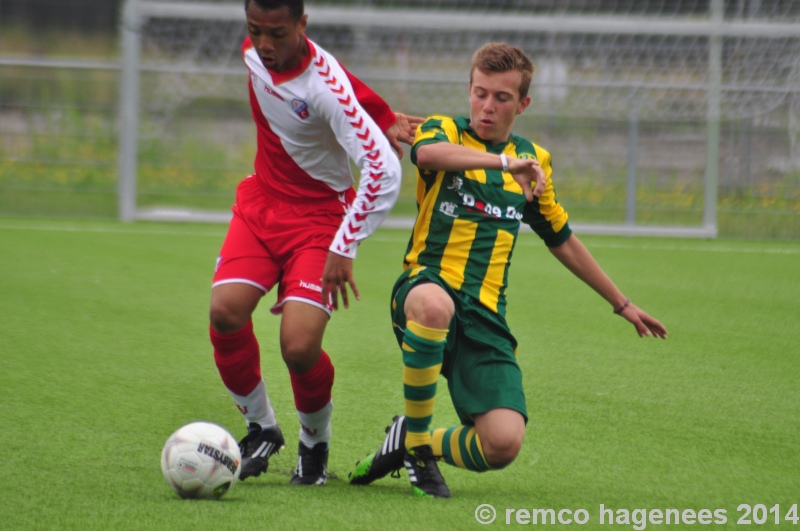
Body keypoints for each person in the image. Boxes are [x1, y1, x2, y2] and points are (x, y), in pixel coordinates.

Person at [348, 42, 667, 498]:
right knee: (435, 304)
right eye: (479, 93)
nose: (486, 106)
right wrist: (502, 162)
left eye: (500, 98)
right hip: (423, 288)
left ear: (523, 104)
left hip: (485, 317)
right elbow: (429, 157)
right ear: (469, 90)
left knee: (502, 444)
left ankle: (412, 441)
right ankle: (419, 454)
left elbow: (562, 238)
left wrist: (623, 304)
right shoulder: (444, 130)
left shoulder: (535, 162)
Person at [209, 0, 422, 486]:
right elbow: (330, 61)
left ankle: (314, 443)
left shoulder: (324, 90)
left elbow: (386, 172)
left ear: (302, 25)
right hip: (261, 203)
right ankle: (262, 428)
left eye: (277, 34)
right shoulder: (254, 51)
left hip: (320, 221)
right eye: (255, 31)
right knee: (224, 313)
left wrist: (345, 244)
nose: (264, 45)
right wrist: (383, 111)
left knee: (299, 347)